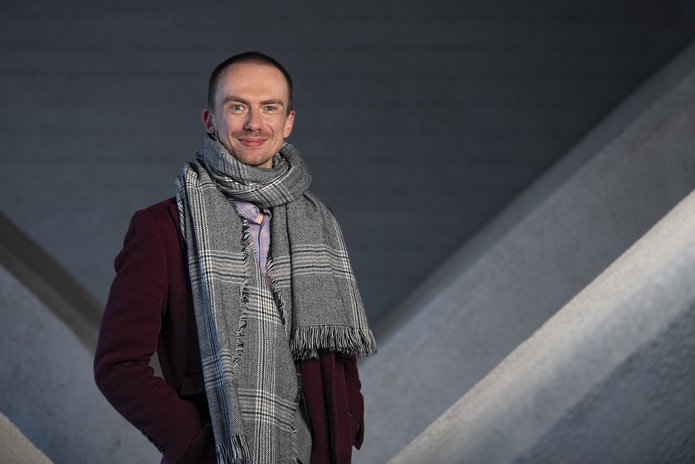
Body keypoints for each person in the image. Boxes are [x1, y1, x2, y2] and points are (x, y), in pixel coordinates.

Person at [94, 51, 376, 464]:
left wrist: (347, 419)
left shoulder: (320, 222)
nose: (254, 123)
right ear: (210, 119)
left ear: (288, 122)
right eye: (238, 106)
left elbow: (338, 347)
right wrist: (195, 442)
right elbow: (117, 365)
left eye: (270, 107)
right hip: (221, 454)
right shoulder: (162, 228)